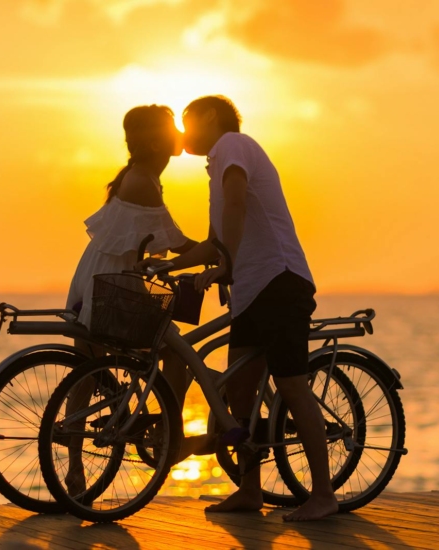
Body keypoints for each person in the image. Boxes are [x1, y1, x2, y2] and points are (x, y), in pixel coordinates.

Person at [143, 95, 338, 522]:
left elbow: (238, 206)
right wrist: (172, 263)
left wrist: (226, 262)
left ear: (210, 116)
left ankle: (323, 494)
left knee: (291, 385)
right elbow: (214, 242)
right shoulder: (218, 168)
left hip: (280, 280)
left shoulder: (233, 144)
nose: (182, 133)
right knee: (240, 393)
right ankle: (250, 490)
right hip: (251, 291)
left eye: (188, 121)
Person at [64, 104, 197, 494]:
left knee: (84, 373)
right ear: (156, 140)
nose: (180, 133)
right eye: (173, 128)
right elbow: (176, 241)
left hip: (99, 281)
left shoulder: (139, 176)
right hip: (115, 289)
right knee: (178, 355)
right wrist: (223, 253)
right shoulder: (142, 182)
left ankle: (75, 471)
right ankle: (166, 432)